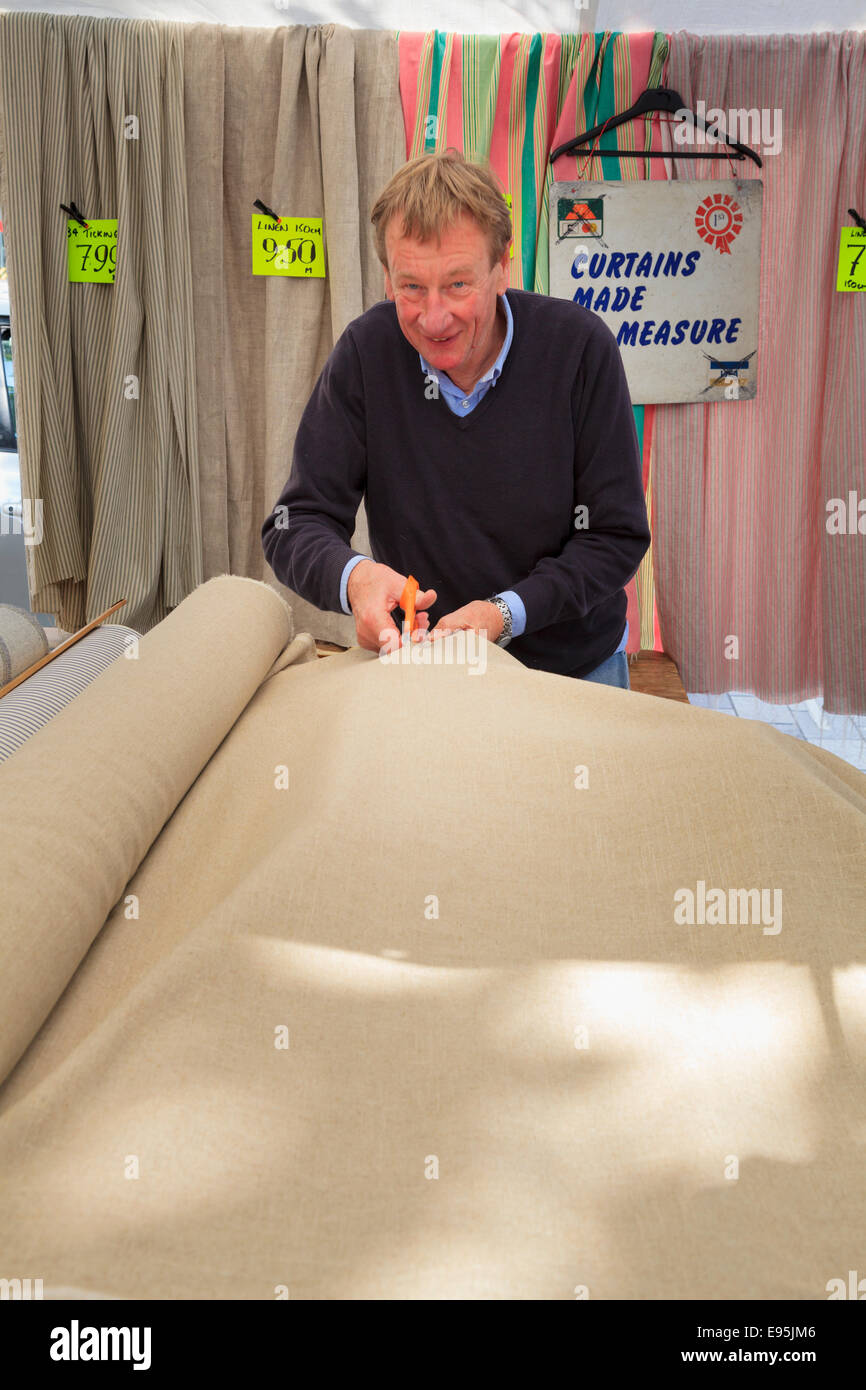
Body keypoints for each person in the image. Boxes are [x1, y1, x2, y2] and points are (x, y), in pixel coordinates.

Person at [262, 149, 651, 688]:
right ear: (386, 277)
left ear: (502, 267)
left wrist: (503, 614)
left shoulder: (581, 349)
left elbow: (614, 537)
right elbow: (293, 524)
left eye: (458, 285)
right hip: (428, 671)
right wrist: (357, 579)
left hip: (574, 672)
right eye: (412, 287)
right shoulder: (365, 353)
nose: (435, 317)